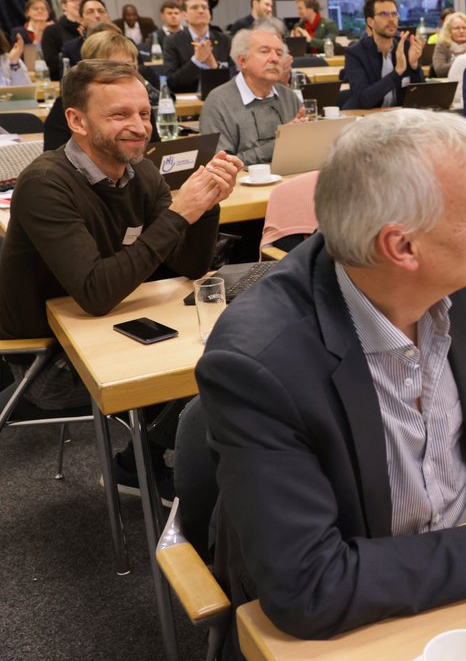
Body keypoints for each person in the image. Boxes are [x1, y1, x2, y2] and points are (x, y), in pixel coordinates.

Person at [197, 110, 466, 655]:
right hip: (351, 622)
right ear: (402, 248)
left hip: (463, 590)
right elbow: (309, 587)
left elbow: (420, 416)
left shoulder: (453, 281)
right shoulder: (260, 364)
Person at [0, 59, 241, 493]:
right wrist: (181, 211)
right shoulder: (45, 184)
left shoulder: (141, 173)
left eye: (144, 113)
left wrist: (205, 206)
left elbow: (188, 267)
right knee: (212, 368)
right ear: (76, 120)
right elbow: (96, 291)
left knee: (230, 352)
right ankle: (148, 468)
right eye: (120, 115)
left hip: (114, 325)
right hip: (48, 359)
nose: (139, 126)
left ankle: (143, 463)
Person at [44, 30, 163, 151]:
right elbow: (56, 158)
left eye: (129, 67)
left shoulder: (139, 103)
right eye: (114, 68)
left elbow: (154, 151)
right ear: (91, 68)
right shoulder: (67, 104)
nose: (139, 129)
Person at [200, 28, 301, 165]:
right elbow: (223, 165)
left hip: (290, 177)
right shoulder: (219, 102)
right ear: (242, 61)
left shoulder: (288, 96)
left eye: (279, 53)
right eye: (264, 51)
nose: (275, 59)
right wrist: (279, 144)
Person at [343, 0, 426, 109]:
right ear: (370, 21)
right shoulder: (355, 53)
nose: (391, 19)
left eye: (394, 14)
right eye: (384, 14)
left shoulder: (407, 47)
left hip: (400, 118)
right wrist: (396, 73)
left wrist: (414, 68)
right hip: (366, 119)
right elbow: (363, 100)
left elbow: (421, 98)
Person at [164, 0, 231, 93]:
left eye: (204, 7)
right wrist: (196, 61)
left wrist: (214, 66)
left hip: (221, 99)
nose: (201, 11)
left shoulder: (225, 40)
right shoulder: (172, 41)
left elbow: (235, 78)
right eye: (194, 7)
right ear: (184, 15)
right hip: (187, 102)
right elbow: (172, 83)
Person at [43, 0, 86, 81]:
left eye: (83, 1)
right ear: (64, 6)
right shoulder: (52, 30)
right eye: (75, 0)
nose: (80, 3)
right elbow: (51, 63)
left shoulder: (91, 29)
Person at [60, 0, 112, 69]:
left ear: (108, 17)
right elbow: (68, 79)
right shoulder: (70, 49)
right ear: (81, 20)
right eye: (90, 12)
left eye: (101, 11)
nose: (97, 16)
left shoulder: (126, 42)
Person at [431, 12, 466, 77]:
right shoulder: (442, 46)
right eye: (457, 28)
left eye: (464, 28)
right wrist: (461, 62)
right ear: (449, 31)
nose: (461, 31)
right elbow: (439, 70)